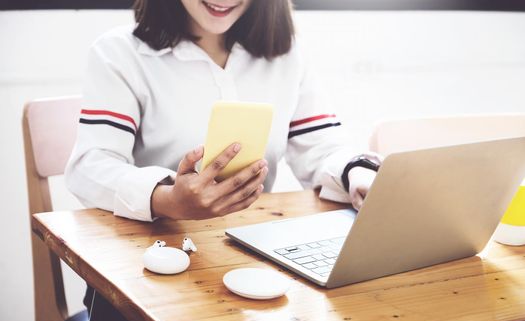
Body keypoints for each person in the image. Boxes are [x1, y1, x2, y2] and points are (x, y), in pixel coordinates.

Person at [66, 0, 381, 225]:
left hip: (246, 251)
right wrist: (167, 200)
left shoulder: (286, 54)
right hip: (147, 257)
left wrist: (356, 173)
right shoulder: (119, 54)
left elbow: (321, 146)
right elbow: (90, 167)